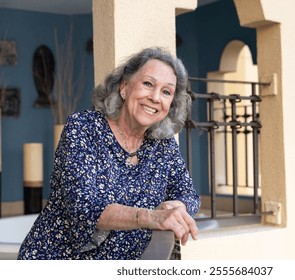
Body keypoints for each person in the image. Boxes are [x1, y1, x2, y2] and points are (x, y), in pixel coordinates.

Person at [17, 47, 200, 260]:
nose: (155, 97)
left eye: (166, 92)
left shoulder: (164, 145)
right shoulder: (84, 127)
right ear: (124, 87)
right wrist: (152, 217)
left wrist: (172, 206)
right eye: (148, 84)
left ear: (170, 105)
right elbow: (84, 207)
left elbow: (189, 195)